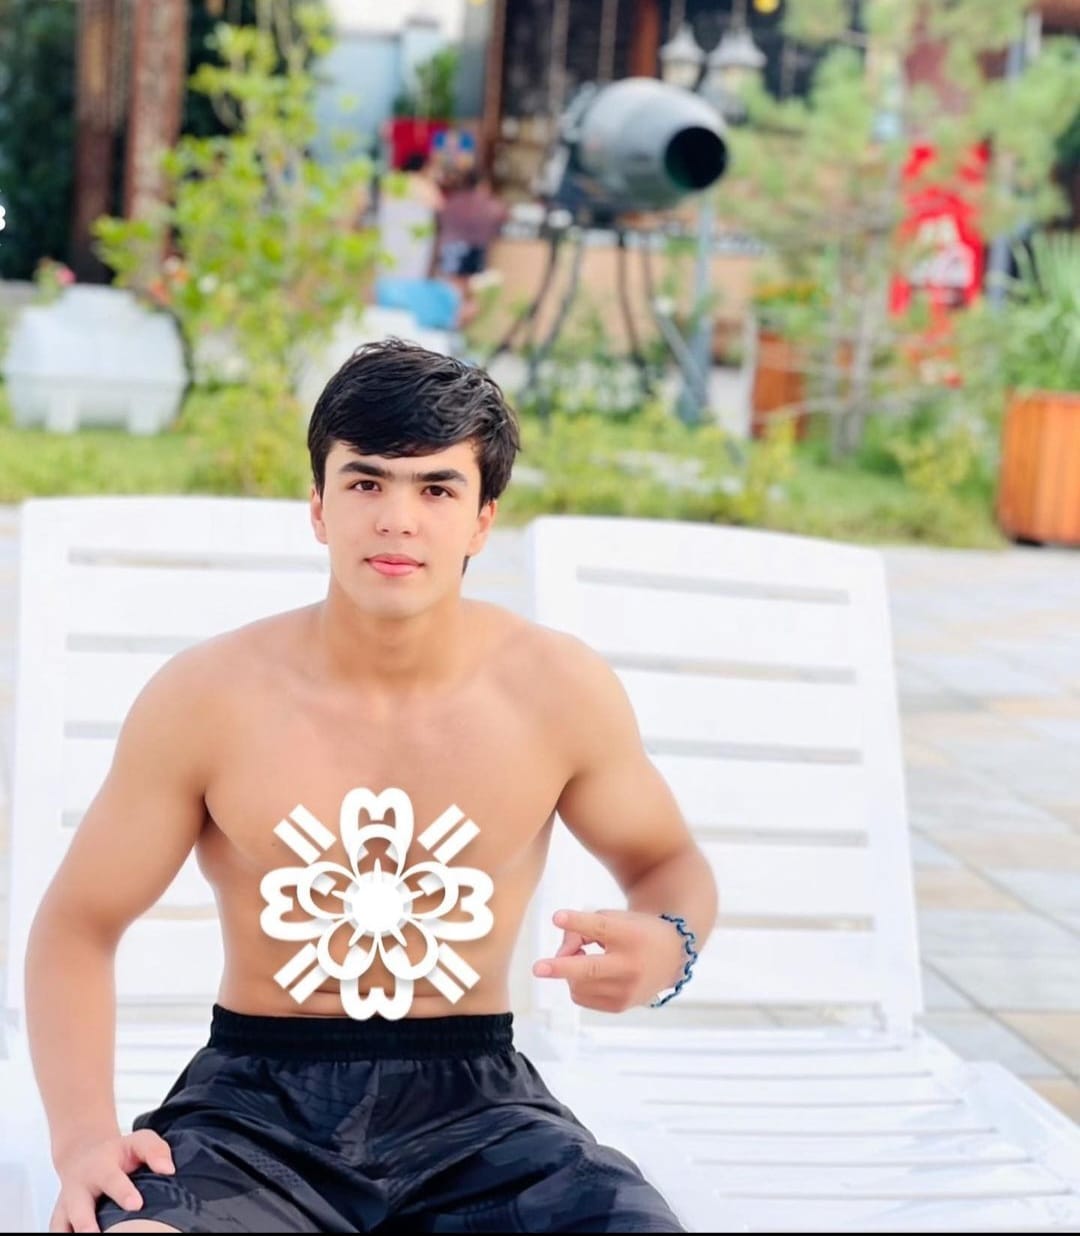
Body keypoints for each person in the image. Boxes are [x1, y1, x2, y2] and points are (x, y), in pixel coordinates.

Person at [25, 339, 718, 1234]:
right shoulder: (207, 696)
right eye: (366, 482)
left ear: (482, 520)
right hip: (253, 1113)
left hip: (484, 1115)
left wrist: (669, 946)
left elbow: (668, 863)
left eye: (436, 489)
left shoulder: (557, 691)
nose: (397, 519)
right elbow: (78, 924)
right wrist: (83, 1139)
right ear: (318, 507)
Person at [436, 170, 509, 327]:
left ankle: (449, 322)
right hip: (472, 250)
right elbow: (503, 216)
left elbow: (441, 218)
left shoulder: (453, 201)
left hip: (450, 248)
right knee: (466, 290)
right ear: (483, 185)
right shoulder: (487, 203)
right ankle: (454, 323)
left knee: (453, 287)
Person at [375, 151, 445, 281]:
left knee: (389, 267)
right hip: (415, 236)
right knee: (412, 268)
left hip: (390, 233)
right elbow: (440, 205)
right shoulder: (424, 185)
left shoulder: (391, 180)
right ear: (424, 168)